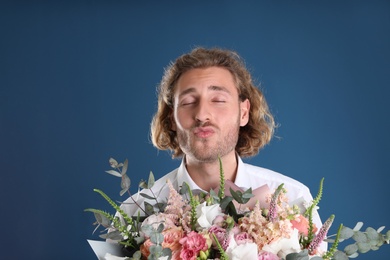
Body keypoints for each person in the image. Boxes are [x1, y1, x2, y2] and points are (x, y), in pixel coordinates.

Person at [120, 47, 322, 232]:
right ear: (171, 117)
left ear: (243, 113)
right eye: (188, 101)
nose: (202, 114)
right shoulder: (133, 213)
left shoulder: (294, 199)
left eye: (218, 100)